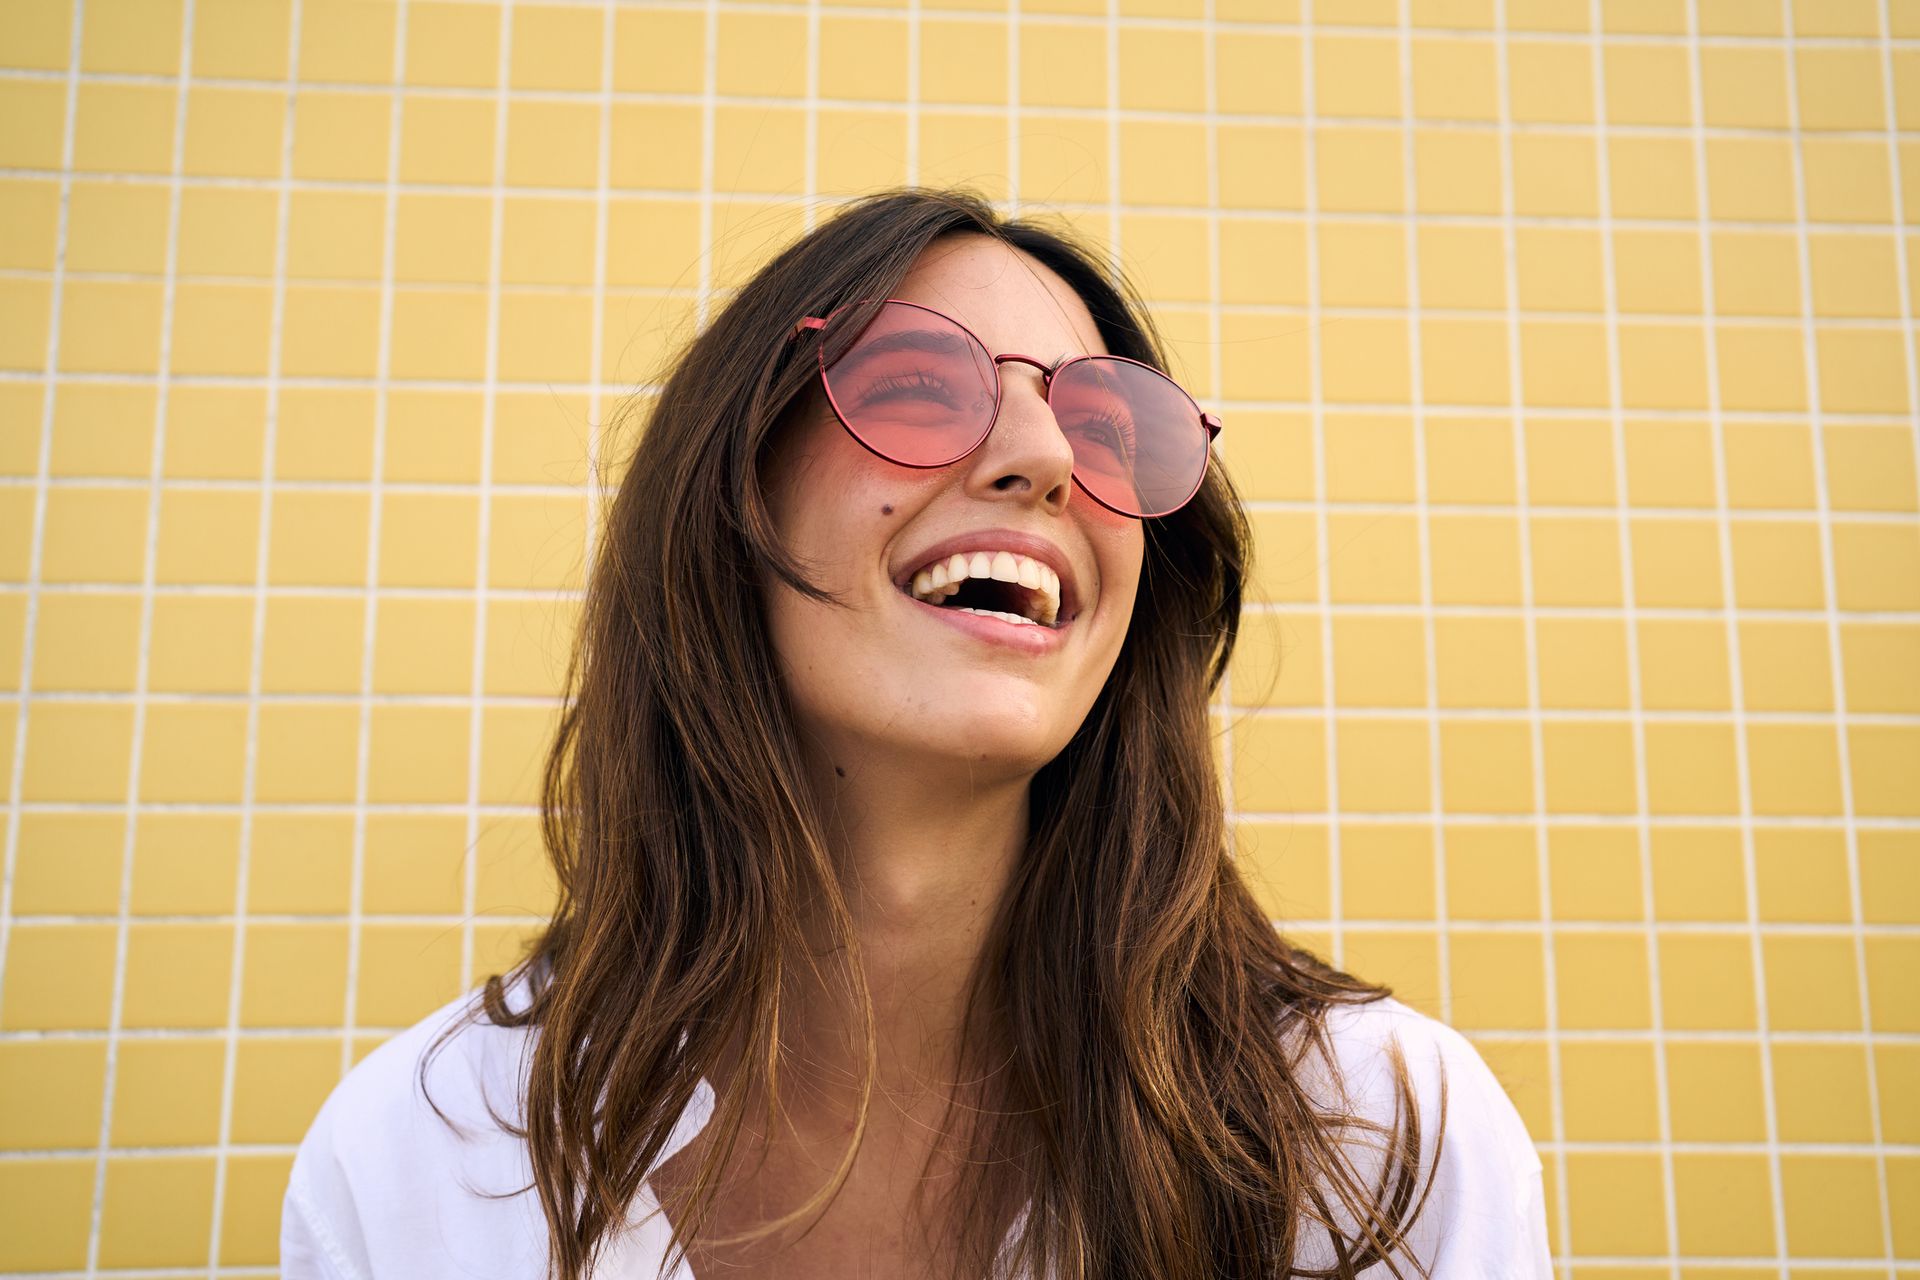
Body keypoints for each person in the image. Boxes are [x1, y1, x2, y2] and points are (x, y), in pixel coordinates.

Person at [280, 187, 1551, 1280]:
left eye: (1112, 428)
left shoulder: (1381, 1143)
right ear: (728, 499)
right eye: (913, 384)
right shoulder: (412, 1167)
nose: (1046, 455)